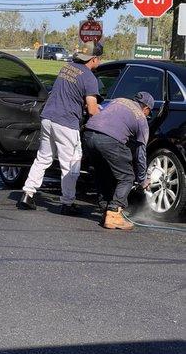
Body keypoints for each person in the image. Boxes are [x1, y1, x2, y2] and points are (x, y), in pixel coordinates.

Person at [17, 40, 103, 215]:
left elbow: (69, 92)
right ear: (94, 59)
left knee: (43, 158)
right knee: (70, 163)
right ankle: (67, 202)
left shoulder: (67, 68)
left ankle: (27, 194)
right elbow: (93, 110)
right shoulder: (89, 78)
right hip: (66, 123)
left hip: (48, 117)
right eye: (99, 59)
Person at [83, 91, 155, 229]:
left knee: (102, 172)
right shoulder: (141, 119)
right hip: (108, 140)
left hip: (88, 134)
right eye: (149, 112)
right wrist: (142, 179)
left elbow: (101, 110)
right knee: (127, 176)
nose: (148, 115)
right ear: (146, 108)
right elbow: (141, 154)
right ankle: (114, 212)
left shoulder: (119, 100)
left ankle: (106, 209)